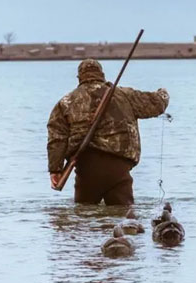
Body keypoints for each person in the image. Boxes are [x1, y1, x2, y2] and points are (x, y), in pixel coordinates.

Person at [47, 59, 169, 204]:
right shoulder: (125, 95)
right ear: (102, 75)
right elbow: (156, 104)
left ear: (79, 77)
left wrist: (55, 169)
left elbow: (56, 138)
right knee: (124, 218)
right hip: (118, 166)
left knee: (84, 217)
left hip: (86, 167)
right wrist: (163, 93)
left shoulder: (65, 102)